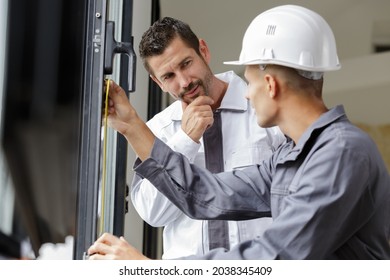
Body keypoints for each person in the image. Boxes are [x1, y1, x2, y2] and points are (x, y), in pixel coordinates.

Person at [88, 5, 390, 259]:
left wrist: (149, 269)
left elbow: (275, 257)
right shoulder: (291, 156)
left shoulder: (341, 153)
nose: (245, 94)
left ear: (270, 85)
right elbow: (209, 194)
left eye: (251, 83)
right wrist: (131, 125)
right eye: (168, 75)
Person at [130, 17, 285, 259]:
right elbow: (153, 214)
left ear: (203, 50)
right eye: (168, 76)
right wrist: (185, 141)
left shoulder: (264, 110)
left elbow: (293, 194)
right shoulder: (156, 131)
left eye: (186, 63)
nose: (184, 82)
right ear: (157, 82)